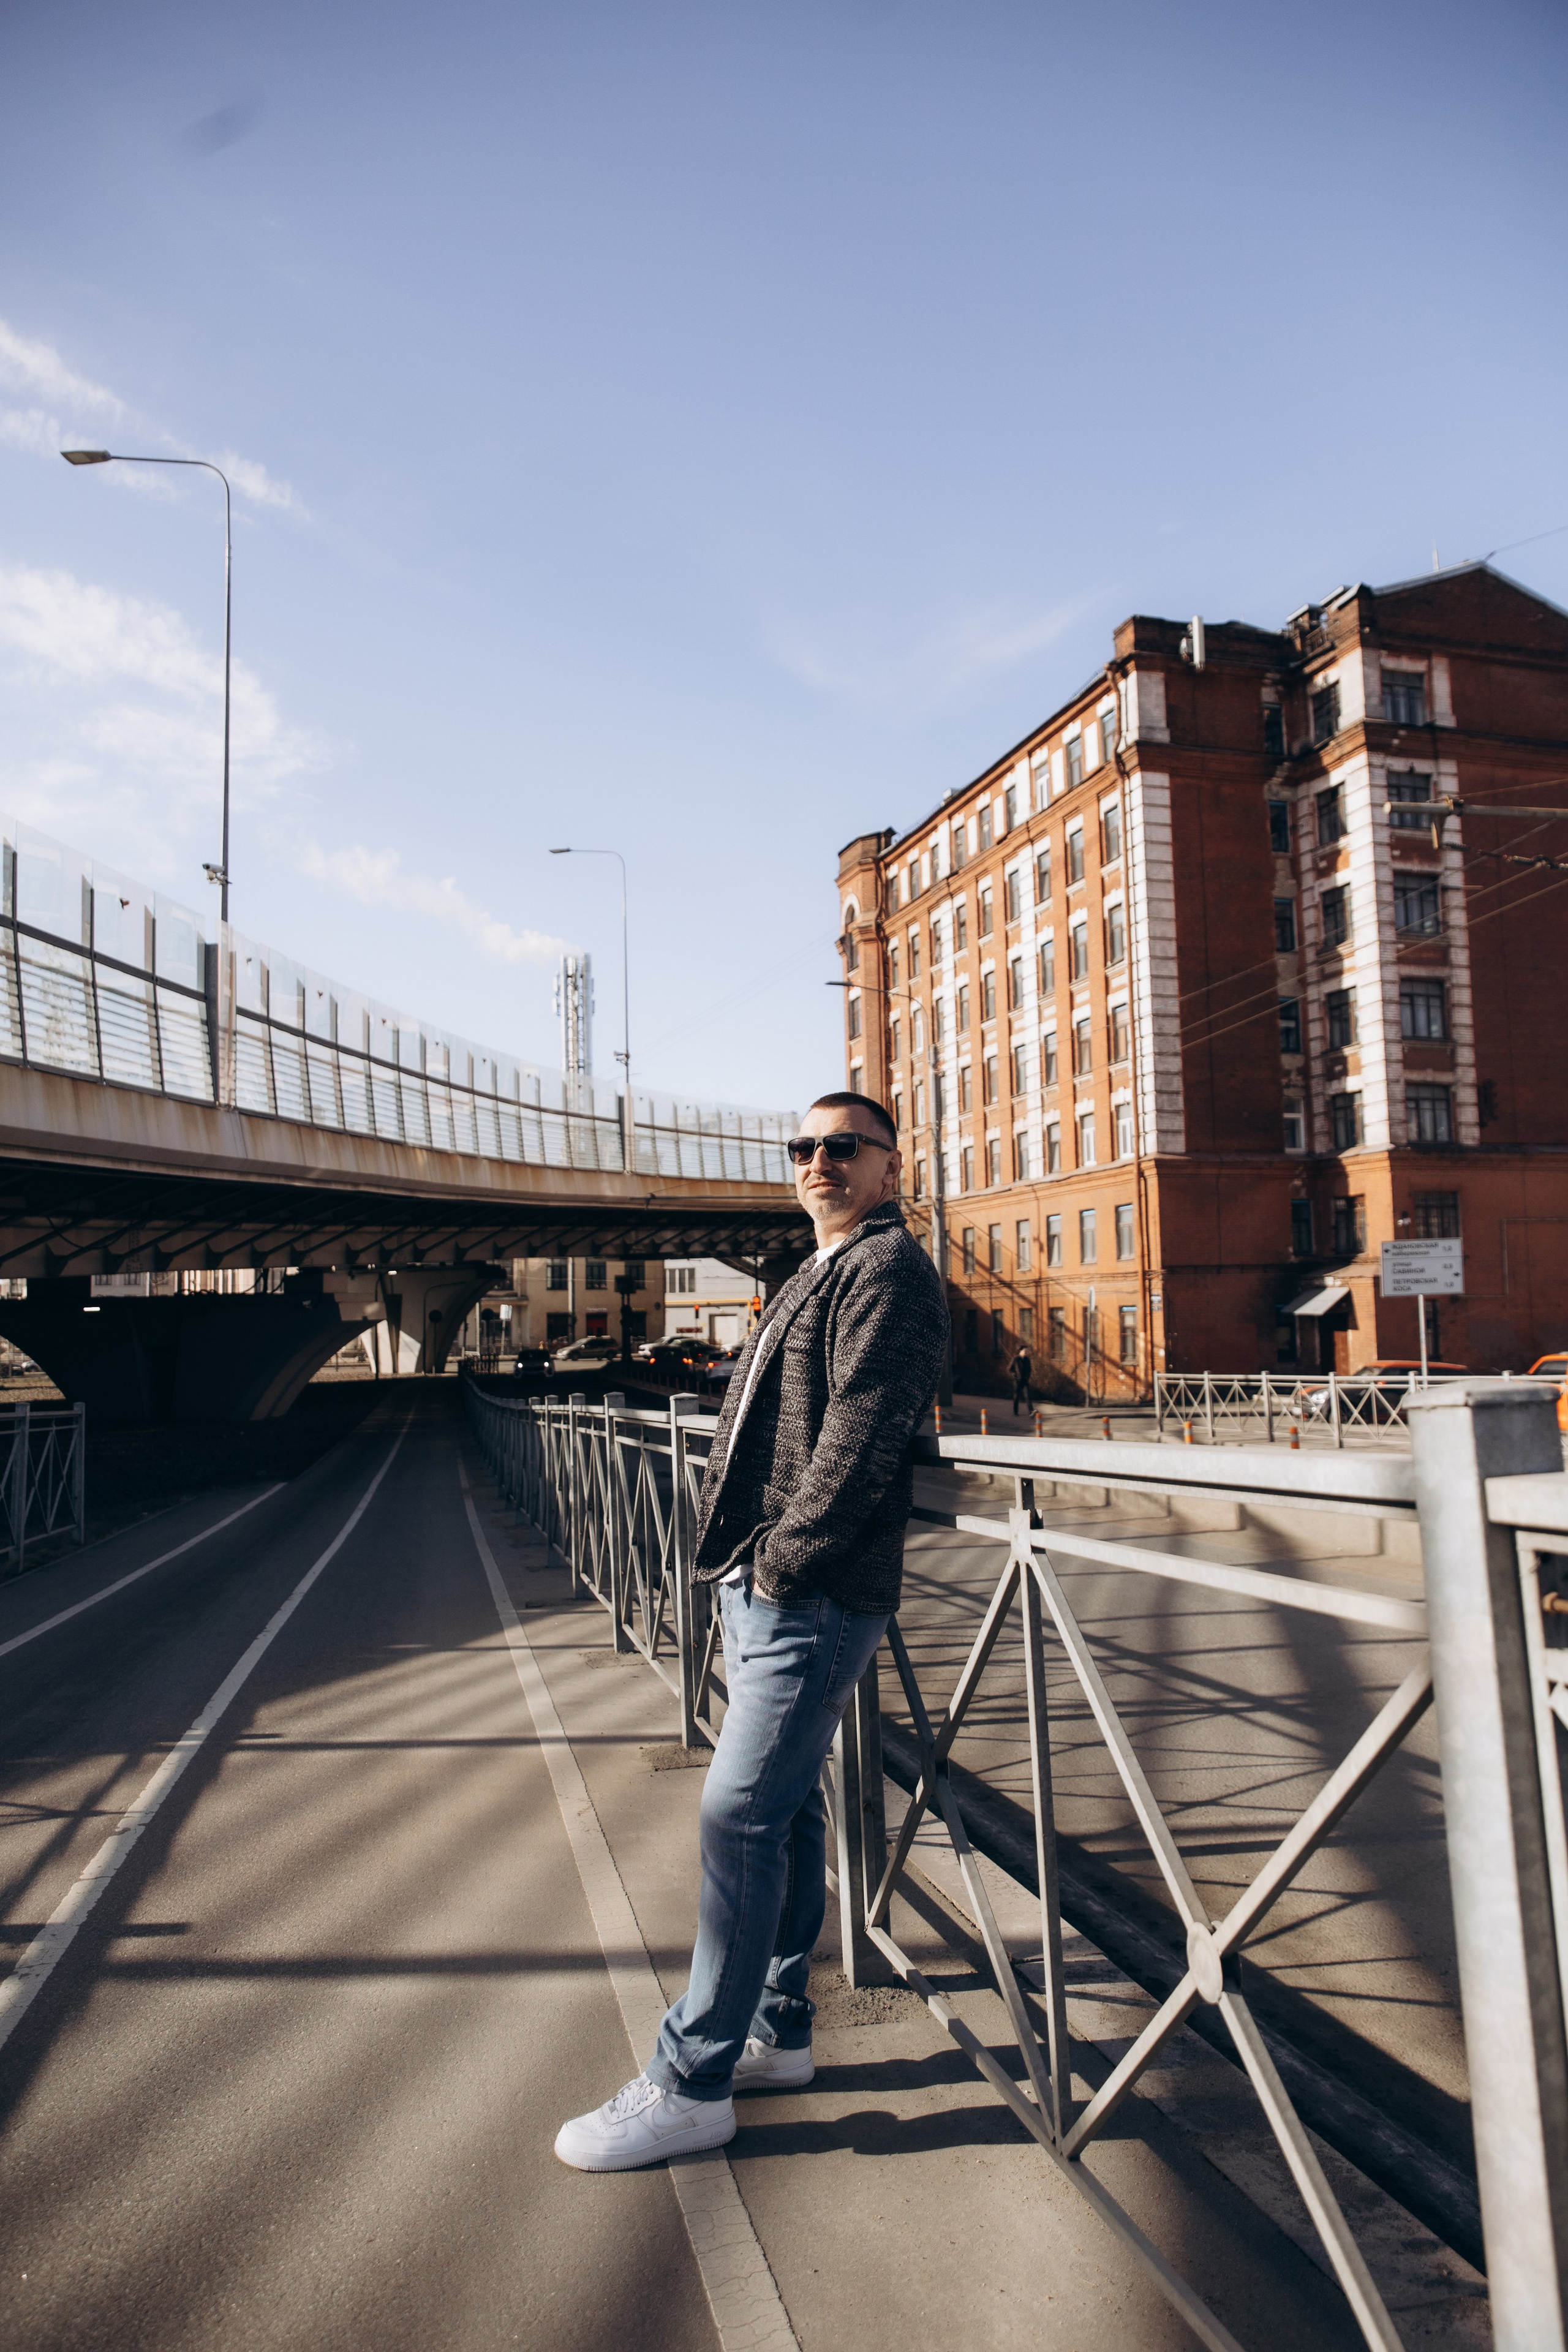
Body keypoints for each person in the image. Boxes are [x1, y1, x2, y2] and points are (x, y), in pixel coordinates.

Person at [554, 1090, 949, 2170]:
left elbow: (863, 1436)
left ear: (889, 1166)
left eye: (845, 1147)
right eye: (805, 1146)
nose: (820, 1160)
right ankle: (778, 2028)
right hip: (767, 1585)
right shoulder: (817, 1267)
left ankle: (693, 2080)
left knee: (737, 1816)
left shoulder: (888, 1271)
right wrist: (743, 1564)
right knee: (787, 1810)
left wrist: (778, 1566)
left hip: (809, 1595)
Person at [1009, 1346, 1033, 1416]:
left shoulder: (1027, 1360)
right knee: (1017, 1396)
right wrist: (1015, 1375)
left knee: (1028, 1395)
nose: (1026, 1352)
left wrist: (1028, 1377)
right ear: (1021, 1351)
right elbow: (1009, 1369)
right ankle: (1016, 1411)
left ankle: (1031, 1411)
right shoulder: (1016, 1359)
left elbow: (1030, 1369)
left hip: (1025, 1380)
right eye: (1025, 1351)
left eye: (1027, 1351)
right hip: (1018, 1381)